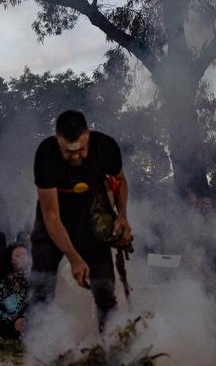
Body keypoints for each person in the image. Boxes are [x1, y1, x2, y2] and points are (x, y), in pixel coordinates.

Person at [30, 110, 130, 330]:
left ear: (88, 136)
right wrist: (74, 258)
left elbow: (120, 181)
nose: (76, 156)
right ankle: (41, 346)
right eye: (68, 151)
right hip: (54, 222)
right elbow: (51, 216)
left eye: (81, 150)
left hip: (91, 216)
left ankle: (112, 343)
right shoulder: (46, 154)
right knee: (42, 283)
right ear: (58, 141)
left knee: (104, 286)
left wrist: (122, 216)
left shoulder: (105, 147)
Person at [0, 244, 30, 339]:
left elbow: (38, 305)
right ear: (10, 259)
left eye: (25, 255)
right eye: (18, 256)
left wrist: (25, 319)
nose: (22, 259)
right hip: (8, 322)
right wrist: (13, 320)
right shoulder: (1, 283)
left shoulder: (33, 280)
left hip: (27, 321)